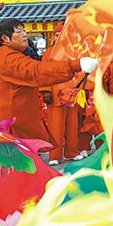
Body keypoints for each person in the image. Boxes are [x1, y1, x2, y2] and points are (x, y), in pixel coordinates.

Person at [0, 18, 99, 144]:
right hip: (8, 128)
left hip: (10, 124)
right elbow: (37, 71)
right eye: (19, 32)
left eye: (24, 31)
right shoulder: (8, 58)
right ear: (5, 38)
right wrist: (76, 65)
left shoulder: (8, 55)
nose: (24, 35)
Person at [42, 26, 88, 166]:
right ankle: (54, 155)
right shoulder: (48, 53)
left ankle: (71, 152)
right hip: (55, 93)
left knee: (72, 126)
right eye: (56, 35)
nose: (58, 38)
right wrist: (45, 91)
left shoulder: (73, 52)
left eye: (60, 35)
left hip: (71, 92)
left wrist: (81, 89)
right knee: (55, 127)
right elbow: (43, 73)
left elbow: (80, 72)